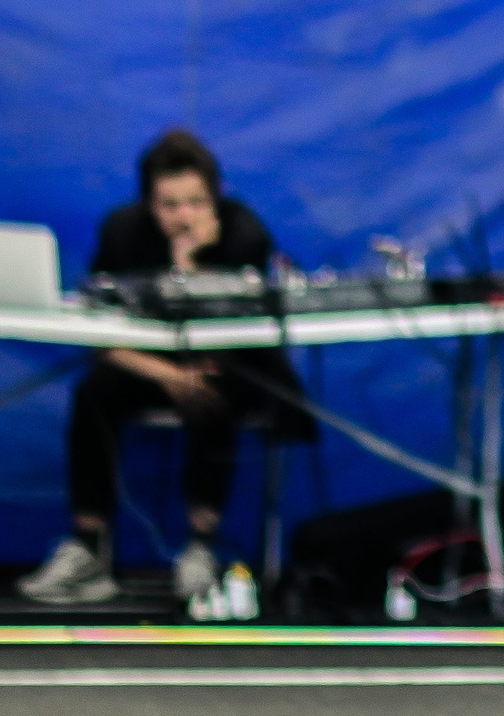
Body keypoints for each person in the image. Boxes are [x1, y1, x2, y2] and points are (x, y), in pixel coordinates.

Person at [17, 129, 311, 608]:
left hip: (228, 369)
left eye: (195, 203)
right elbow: (99, 336)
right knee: (94, 392)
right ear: (149, 204)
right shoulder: (122, 232)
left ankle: (201, 547)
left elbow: (243, 333)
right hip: (151, 369)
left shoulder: (243, 232)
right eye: (169, 205)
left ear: (214, 199)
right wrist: (168, 375)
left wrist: (192, 265)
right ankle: (90, 550)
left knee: (212, 391)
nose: (183, 216)